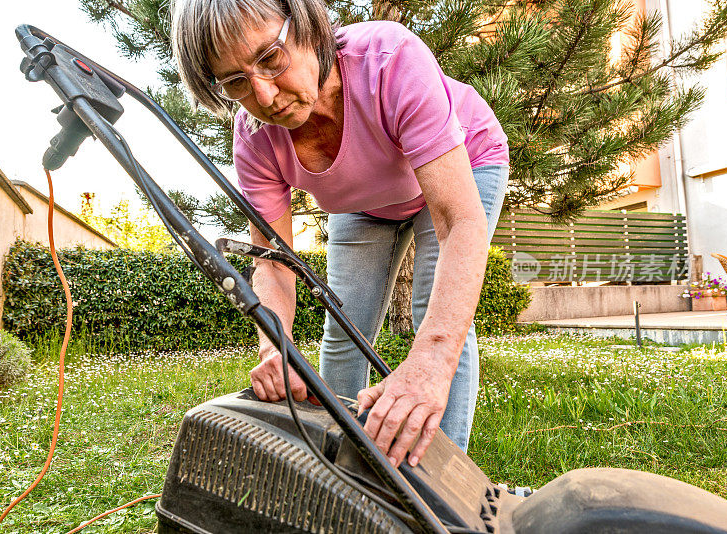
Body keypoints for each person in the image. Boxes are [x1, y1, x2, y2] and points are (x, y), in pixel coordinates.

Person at [171, 0, 509, 466]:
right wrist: (279, 349)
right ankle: (337, 463)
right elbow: (272, 259)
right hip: (365, 202)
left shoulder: (389, 61)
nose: (264, 97)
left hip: (465, 163)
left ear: (308, 24)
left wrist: (431, 360)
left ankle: (442, 482)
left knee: (437, 320)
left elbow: (458, 223)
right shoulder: (254, 137)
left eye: (270, 58)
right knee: (345, 328)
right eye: (235, 82)